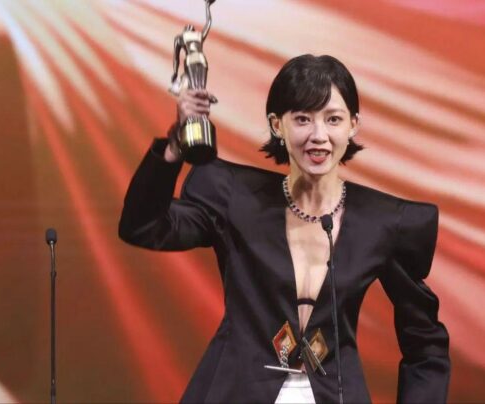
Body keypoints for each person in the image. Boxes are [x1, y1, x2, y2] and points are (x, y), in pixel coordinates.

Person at [119, 54, 450, 403]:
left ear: (353, 124)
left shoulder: (381, 221)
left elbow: (425, 343)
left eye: (333, 119)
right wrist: (175, 146)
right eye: (303, 119)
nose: (319, 136)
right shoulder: (235, 197)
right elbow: (143, 226)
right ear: (277, 125)